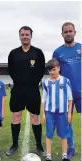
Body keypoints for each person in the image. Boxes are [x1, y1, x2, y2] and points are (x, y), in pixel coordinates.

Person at [6, 26, 46, 156]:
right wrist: (20, 81)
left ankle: (39, 145)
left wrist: (32, 82)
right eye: (22, 34)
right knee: (16, 116)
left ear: (31, 36)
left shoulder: (38, 52)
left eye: (27, 34)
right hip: (18, 89)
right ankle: (14, 145)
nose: (25, 36)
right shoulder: (13, 53)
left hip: (33, 90)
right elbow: (10, 70)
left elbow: (41, 70)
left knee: (35, 117)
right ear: (19, 36)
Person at [53, 22, 81, 159]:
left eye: (71, 31)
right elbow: (54, 72)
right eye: (66, 32)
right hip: (66, 94)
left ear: (75, 32)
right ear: (62, 34)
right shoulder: (57, 52)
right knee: (67, 121)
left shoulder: (81, 48)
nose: (68, 33)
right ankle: (71, 148)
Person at [42, 58, 72, 161]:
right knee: (49, 134)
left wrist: (69, 113)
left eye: (54, 69)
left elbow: (70, 98)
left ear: (59, 68)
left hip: (62, 113)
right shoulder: (45, 83)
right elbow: (44, 99)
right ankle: (48, 156)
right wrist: (43, 114)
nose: (52, 72)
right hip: (49, 113)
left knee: (63, 134)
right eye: (50, 70)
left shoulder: (65, 80)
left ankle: (64, 155)